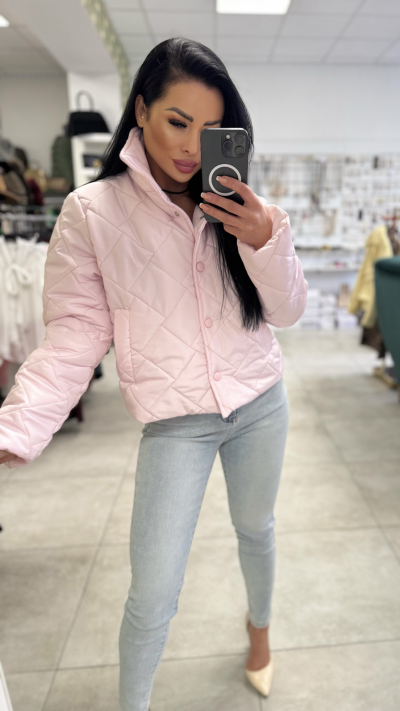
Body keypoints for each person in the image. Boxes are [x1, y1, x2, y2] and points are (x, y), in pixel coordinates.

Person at [0, 37, 307, 711]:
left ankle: (260, 630)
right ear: (140, 110)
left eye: (210, 129)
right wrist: (17, 426)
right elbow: (76, 333)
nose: (192, 147)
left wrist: (263, 238)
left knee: (256, 526)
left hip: (260, 400)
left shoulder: (244, 205)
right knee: (154, 590)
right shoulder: (91, 212)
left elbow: (287, 312)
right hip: (175, 424)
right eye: (177, 121)